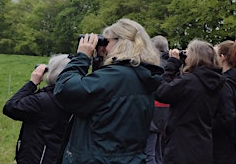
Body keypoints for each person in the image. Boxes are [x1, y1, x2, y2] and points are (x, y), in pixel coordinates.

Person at [53, 18, 164, 164]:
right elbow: (103, 97)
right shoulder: (142, 76)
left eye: (107, 42)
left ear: (121, 42)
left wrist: (82, 57)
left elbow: (65, 90)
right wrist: (100, 59)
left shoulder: (117, 76)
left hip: (98, 158)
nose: (104, 47)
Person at [155, 39, 225, 164]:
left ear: (194, 57)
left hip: (181, 145)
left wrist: (172, 64)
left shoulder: (190, 81)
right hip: (204, 143)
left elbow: (161, 93)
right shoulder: (218, 82)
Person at [3, 54, 72, 164]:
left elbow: (10, 107)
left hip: (37, 158)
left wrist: (32, 83)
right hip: (60, 156)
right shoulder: (75, 98)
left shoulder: (42, 101)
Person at [145, 35, 171, 164]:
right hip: (166, 108)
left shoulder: (153, 64)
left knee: (149, 151)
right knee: (159, 148)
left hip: (154, 106)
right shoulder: (172, 64)